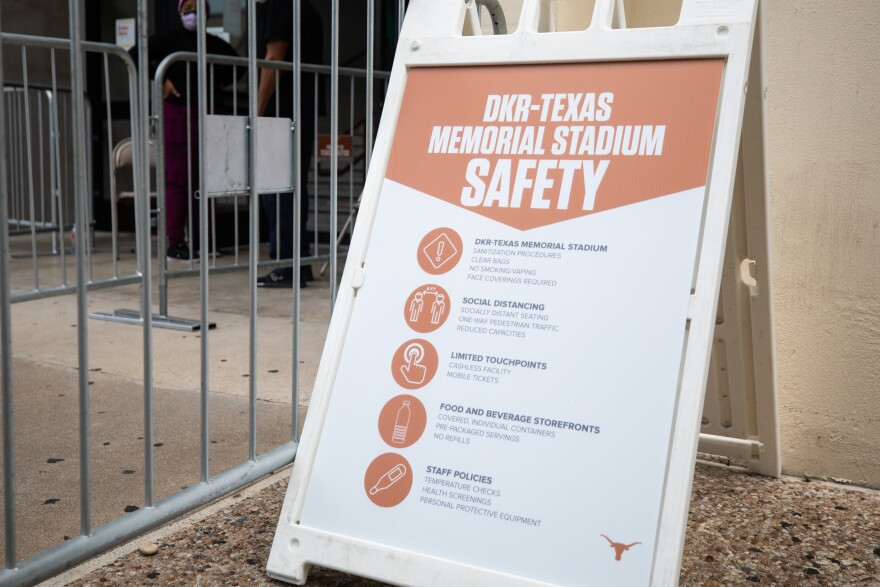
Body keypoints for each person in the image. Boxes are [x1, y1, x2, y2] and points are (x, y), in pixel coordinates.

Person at [130, 0, 239, 261]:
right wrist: (160, 77)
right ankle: (176, 242)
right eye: (188, 8)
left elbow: (237, 66)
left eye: (198, 8)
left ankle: (205, 240)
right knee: (178, 179)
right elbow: (134, 55)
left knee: (206, 180)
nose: (192, 14)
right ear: (179, 11)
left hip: (208, 115)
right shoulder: (169, 39)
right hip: (178, 113)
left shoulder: (214, 44)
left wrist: (219, 82)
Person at [256, 0, 323, 287]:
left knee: (279, 189)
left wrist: (256, 112)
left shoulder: (280, 6)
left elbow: (273, 59)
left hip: (281, 112)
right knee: (292, 188)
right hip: (298, 110)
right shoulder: (306, 8)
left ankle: (285, 264)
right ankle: (297, 262)